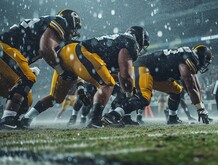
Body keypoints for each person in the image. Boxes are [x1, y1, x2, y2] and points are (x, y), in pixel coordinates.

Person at [21, 26, 150, 128]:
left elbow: (117, 74)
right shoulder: (130, 43)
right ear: (140, 38)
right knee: (107, 83)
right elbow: (126, 76)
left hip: (67, 54)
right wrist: (129, 92)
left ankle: (27, 118)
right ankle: (95, 120)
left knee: (56, 97)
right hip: (80, 53)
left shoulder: (119, 40)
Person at [0, 9, 82, 129]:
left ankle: (13, 120)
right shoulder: (61, 22)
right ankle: (7, 119)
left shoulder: (51, 29)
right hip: (5, 47)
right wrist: (61, 71)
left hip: (9, 55)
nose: (75, 32)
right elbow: (45, 49)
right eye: (76, 28)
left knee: (26, 99)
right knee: (28, 77)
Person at [103, 45, 212, 125]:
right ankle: (113, 115)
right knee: (144, 98)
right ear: (200, 58)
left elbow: (195, 85)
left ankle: (172, 118)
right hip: (143, 67)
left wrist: (201, 106)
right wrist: (200, 109)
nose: (204, 66)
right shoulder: (186, 62)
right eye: (205, 62)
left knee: (177, 91)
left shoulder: (187, 58)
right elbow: (191, 87)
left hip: (156, 75)